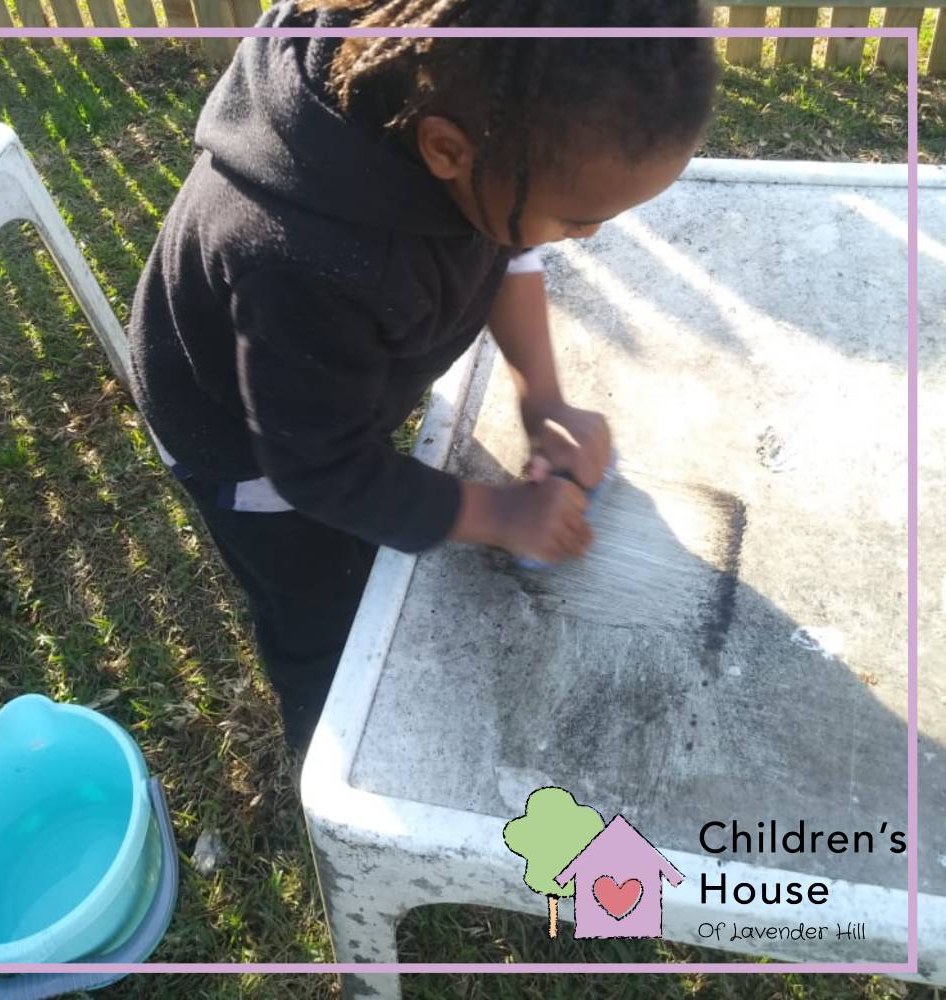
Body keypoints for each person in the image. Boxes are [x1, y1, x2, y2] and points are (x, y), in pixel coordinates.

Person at [127, 0, 719, 750]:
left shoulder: (461, 120)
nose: (590, 235)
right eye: (576, 219)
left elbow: (502, 247)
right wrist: (500, 516)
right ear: (446, 151)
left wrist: (541, 391)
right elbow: (319, 469)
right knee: (323, 611)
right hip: (245, 447)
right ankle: (329, 760)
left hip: (310, 385)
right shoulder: (302, 262)